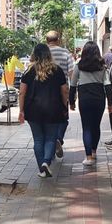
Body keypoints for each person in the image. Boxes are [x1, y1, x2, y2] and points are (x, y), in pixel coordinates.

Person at [18, 43, 69, 178]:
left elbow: (22, 92)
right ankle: (46, 162)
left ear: (34, 54)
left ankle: (42, 167)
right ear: (48, 54)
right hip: (53, 109)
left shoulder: (29, 71)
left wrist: (21, 110)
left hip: (33, 110)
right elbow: (64, 90)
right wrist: (65, 105)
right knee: (51, 139)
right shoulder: (57, 70)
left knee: (38, 139)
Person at [69, 41, 106, 166]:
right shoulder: (102, 66)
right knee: (96, 126)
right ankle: (94, 151)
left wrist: (71, 102)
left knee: (87, 127)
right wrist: (110, 103)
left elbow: (73, 85)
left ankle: (88, 157)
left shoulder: (78, 66)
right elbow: (107, 84)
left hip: (85, 99)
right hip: (99, 98)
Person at [45, 31, 74, 159]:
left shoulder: (42, 53)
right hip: (62, 91)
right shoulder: (65, 53)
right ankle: (58, 138)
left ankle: (50, 146)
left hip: (44, 92)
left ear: (47, 40)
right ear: (58, 40)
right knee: (63, 118)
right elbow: (72, 72)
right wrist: (72, 92)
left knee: (47, 120)